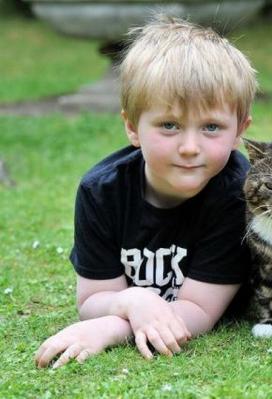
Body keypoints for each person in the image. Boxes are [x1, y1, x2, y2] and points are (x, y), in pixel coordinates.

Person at [35, 15, 257, 368]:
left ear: (239, 131)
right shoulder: (101, 192)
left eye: (211, 127)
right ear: (132, 127)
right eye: (169, 125)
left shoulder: (237, 194)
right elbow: (93, 296)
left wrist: (109, 327)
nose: (189, 146)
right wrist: (132, 301)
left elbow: (199, 309)